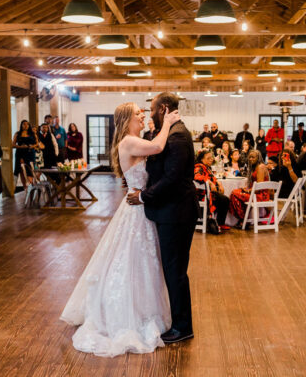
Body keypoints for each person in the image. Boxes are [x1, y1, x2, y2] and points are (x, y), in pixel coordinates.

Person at [61, 100, 182, 356]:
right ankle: (129, 313)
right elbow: (159, 146)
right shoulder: (127, 142)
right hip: (136, 211)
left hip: (142, 206)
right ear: (127, 119)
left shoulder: (135, 140)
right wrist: (168, 123)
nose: (142, 115)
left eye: (142, 112)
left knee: (145, 262)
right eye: (138, 113)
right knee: (133, 261)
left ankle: (148, 308)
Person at [127, 92, 198, 344]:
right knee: (171, 268)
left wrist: (144, 196)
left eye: (152, 108)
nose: (149, 112)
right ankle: (177, 320)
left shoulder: (177, 136)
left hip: (177, 212)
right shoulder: (169, 131)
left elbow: (173, 179)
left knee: (175, 270)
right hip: (170, 210)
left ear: (163, 109)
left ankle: (183, 326)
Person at [229, 150, 269, 224]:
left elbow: (258, 188)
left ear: (258, 158)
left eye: (253, 157)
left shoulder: (260, 167)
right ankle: (243, 219)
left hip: (261, 196)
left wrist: (247, 191)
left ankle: (243, 220)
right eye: (249, 157)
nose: (251, 159)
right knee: (235, 193)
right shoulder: (255, 167)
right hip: (256, 194)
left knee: (234, 193)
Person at [194, 149, 231, 230]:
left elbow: (212, 177)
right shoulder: (198, 167)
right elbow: (197, 176)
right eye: (208, 158)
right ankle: (218, 223)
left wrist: (219, 183)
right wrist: (210, 183)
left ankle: (217, 222)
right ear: (202, 159)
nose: (211, 159)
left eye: (211, 158)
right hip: (202, 195)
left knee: (224, 199)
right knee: (225, 200)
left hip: (208, 193)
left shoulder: (206, 167)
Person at [12, 120, 38, 188]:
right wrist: (21, 147)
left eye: (27, 124)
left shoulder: (32, 133)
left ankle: (31, 186)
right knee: (21, 170)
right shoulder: (17, 134)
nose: (26, 125)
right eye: (24, 124)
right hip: (20, 153)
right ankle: (25, 188)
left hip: (30, 153)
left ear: (29, 125)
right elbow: (13, 145)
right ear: (21, 125)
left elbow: (37, 144)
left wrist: (32, 146)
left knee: (29, 169)